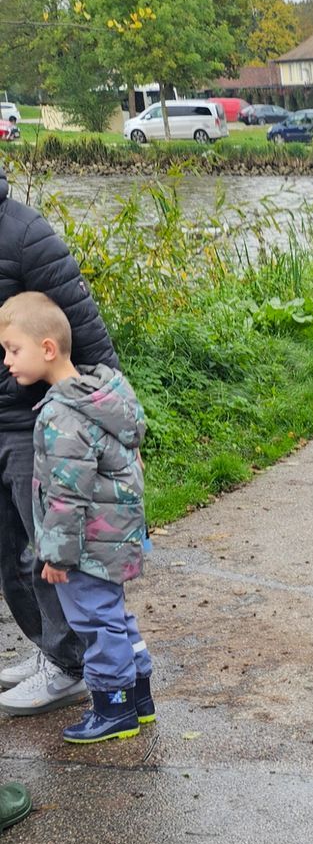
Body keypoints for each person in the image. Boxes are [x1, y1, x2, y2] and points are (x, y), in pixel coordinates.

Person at [0, 292, 152, 743]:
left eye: (13, 349)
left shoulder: (63, 415)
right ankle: (139, 698)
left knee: (94, 623)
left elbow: (67, 496)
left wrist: (56, 556)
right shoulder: (98, 395)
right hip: (112, 538)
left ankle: (114, 709)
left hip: (86, 546)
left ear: (47, 348)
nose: (7, 361)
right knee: (114, 617)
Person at [0, 173, 120, 717]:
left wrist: (112, 426)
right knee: (9, 556)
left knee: (44, 550)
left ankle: (69, 666)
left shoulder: (26, 234)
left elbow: (84, 332)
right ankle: (51, 647)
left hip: (29, 423)